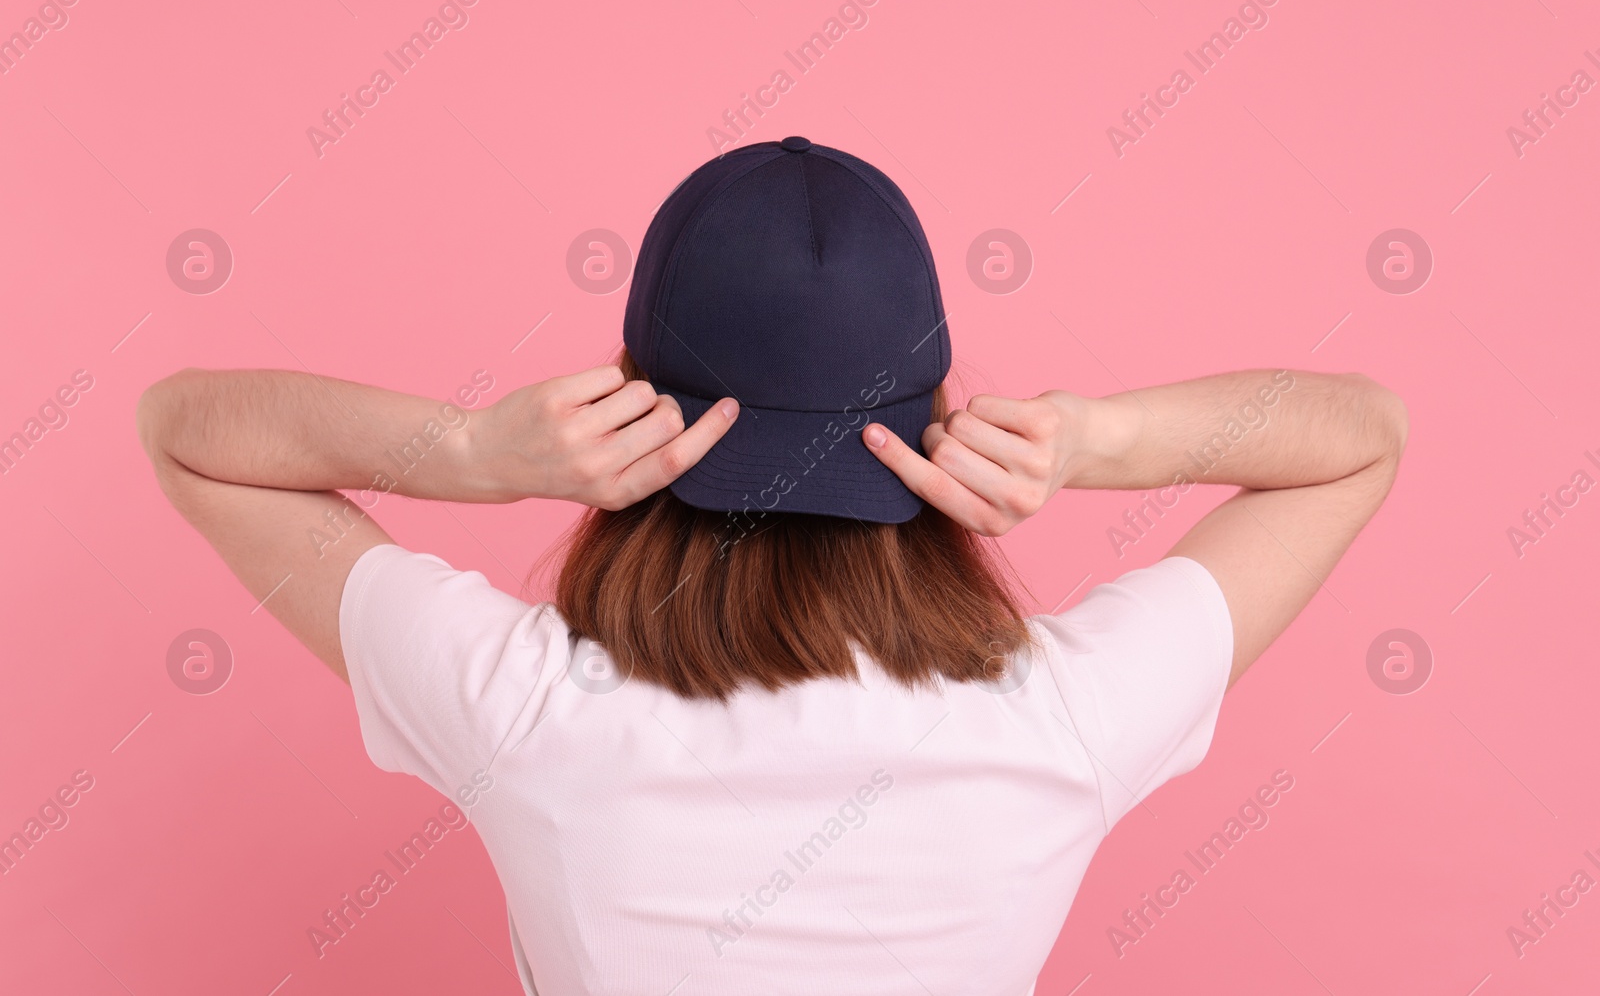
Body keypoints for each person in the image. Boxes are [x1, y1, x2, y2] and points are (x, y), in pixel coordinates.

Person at [137, 137, 1407, 995]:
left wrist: (473, 449)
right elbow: (1357, 439)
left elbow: (188, 432)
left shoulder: (517, 704)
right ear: (929, 413)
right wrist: (1094, 441)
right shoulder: (1066, 716)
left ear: (634, 407)